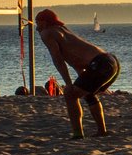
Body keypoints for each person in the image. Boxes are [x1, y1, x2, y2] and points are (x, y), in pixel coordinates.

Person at [34, 8, 120, 137]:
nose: (36, 26)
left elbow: (58, 60)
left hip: (101, 63)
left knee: (69, 94)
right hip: (111, 61)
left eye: (38, 22)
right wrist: (78, 81)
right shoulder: (62, 30)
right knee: (88, 93)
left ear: (45, 22)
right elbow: (76, 62)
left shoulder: (47, 33)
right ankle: (102, 131)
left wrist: (68, 84)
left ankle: (78, 134)